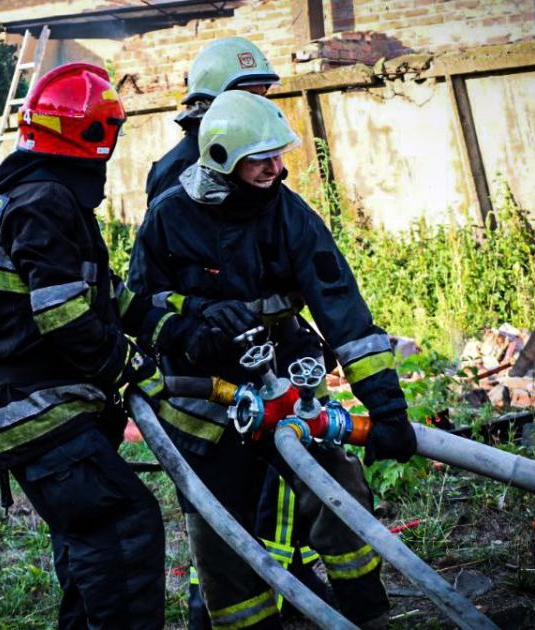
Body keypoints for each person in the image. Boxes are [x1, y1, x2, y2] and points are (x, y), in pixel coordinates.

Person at [128, 90, 417, 628]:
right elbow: (137, 305)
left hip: (284, 387)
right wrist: (192, 330)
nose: (277, 168)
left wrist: (387, 408)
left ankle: (366, 614)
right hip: (206, 404)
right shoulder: (170, 217)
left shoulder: (290, 215)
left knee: (340, 491)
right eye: (261, 158)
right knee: (221, 533)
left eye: (280, 155)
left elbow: (344, 312)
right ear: (220, 158)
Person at [0, 62, 217, 629]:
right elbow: (65, 316)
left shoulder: (44, 196)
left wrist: (175, 329)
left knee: (91, 540)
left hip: (34, 398)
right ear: (95, 134)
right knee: (121, 526)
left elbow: (103, 298)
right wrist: (128, 366)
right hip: (34, 404)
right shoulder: (45, 200)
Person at [145, 37, 329, 629]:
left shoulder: (260, 171)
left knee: (271, 497)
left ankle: (274, 592)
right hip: (214, 383)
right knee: (225, 511)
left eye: (264, 97)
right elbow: (167, 284)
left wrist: (291, 331)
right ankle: (221, 607)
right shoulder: (182, 178)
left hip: (264, 369)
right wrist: (199, 325)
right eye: (249, 97)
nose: (263, 112)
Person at [145, 37, 279, 204]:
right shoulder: (181, 170)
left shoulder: (245, 159)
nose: (260, 108)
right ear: (210, 103)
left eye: (262, 98)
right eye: (248, 98)